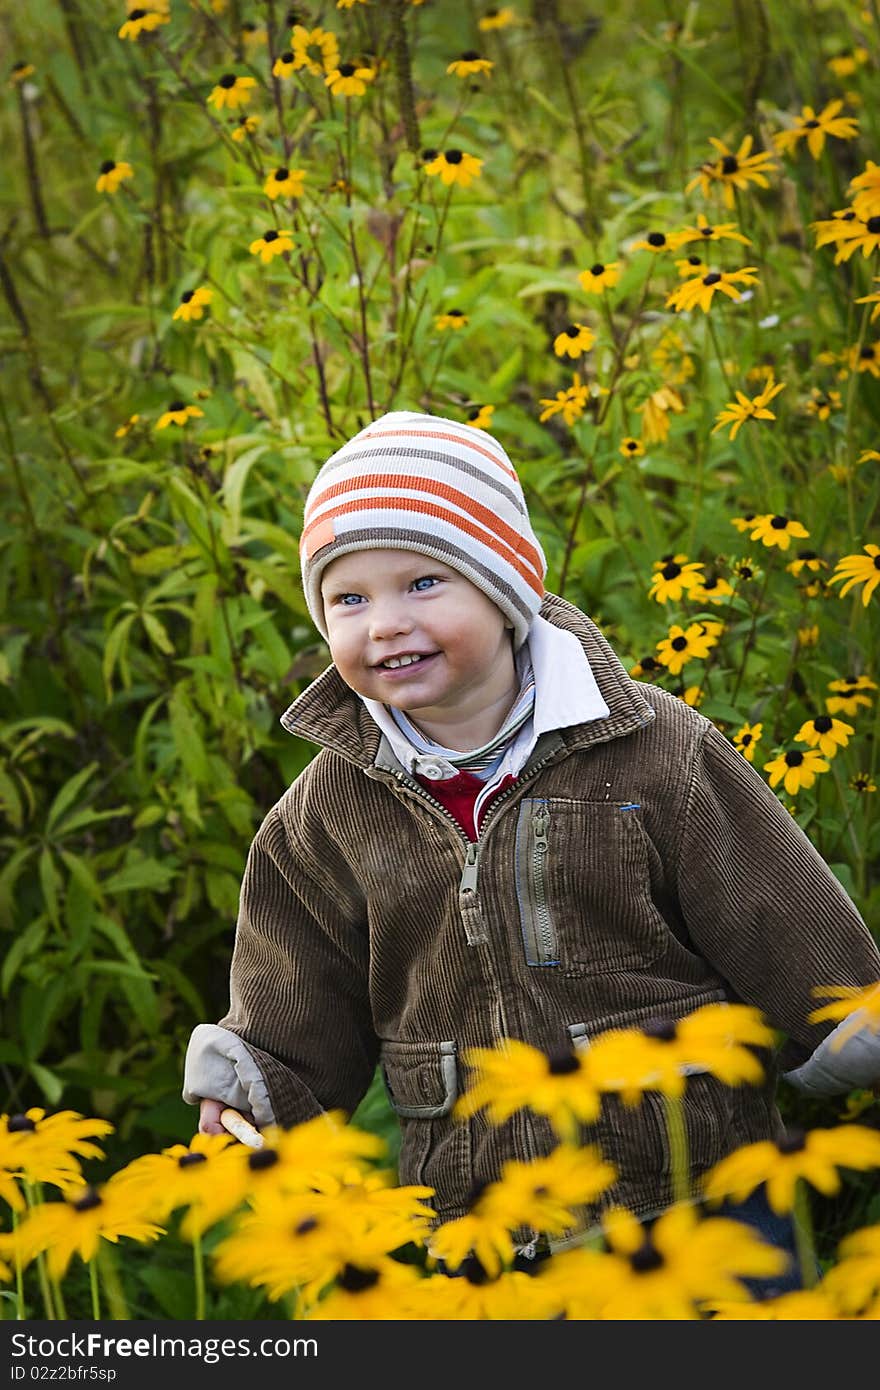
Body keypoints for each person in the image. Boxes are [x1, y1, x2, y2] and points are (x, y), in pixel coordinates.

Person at [183, 408, 880, 1280]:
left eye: (423, 583)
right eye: (348, 598)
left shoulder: (653, 747)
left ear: (506, 588)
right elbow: (297, 973)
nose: (385, 623)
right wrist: (258, 1087)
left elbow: (771, 903)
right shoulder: (327, 810)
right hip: (482, 1227)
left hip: (695, 1191)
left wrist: (852, 1016)